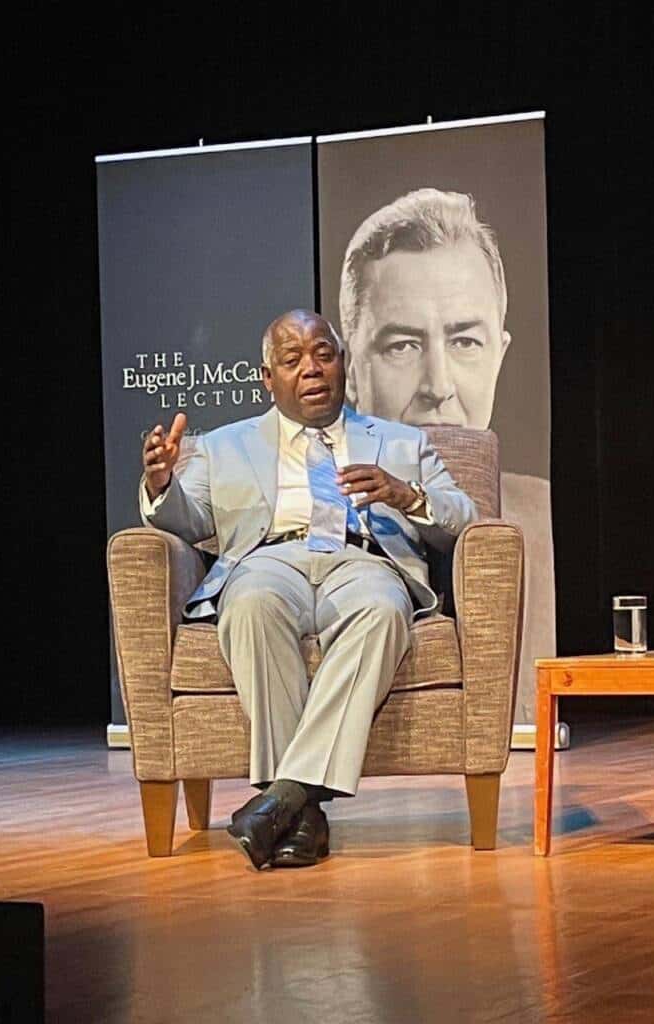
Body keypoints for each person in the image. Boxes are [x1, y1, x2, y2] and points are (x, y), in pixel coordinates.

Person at [140, 309, 477, 870]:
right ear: (267, 379)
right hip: (268, 558)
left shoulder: (399, 441)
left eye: (324, 354)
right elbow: (185, 519)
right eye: (292, 360)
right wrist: (161, 483)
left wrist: (405, 495)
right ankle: (299, 813)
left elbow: (464, 517)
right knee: (248, 606)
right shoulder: (224, 445)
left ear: (343, 364)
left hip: (361, 560)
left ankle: (282, 801)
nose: (312, 369)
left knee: (380, 611)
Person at [338, 188, 556, 724]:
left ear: (499, 356)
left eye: (464, 342)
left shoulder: (545, 527)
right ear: (349, 372)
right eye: (402, 346)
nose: (439, 385)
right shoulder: (317, 502)